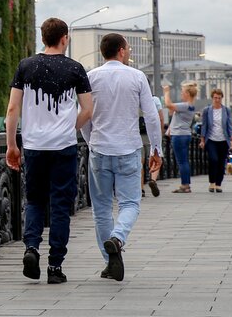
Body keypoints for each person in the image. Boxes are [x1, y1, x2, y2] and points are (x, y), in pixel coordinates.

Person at [5, 17, 93, 284]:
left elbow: (12, 110)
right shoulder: (76, 68)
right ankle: (55, 266)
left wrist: (12, 145)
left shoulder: (25, 66)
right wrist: (70, 127)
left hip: (33, 146)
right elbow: (88, 110)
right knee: (60, 206)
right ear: (64, 38)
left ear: (43, 38)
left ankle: (31, 248)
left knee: (34, 200)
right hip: (63, 146)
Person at [81, 33, 163, 282]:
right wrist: (156, 149)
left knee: (101, 208)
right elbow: (150, 115)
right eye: (127, 48)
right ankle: (117, 238)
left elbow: (84, 116)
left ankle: (110, 262)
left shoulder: (91, 77)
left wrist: (90, 141)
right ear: (121, 51)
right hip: (128, 149)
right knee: (130, 203)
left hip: (99, 150)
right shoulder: (137, 77)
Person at [163, 81, 199, 193]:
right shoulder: (191, 106)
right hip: (185, 134)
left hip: (179, 136)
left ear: (188, 93)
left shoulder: (185, 105)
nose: (181, 94)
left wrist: (166, 92)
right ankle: (186, 183)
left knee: (181, 161)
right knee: (184, 161)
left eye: (182, 92)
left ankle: (185, 185)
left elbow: (168, 104)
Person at [199, 89, 232, 192]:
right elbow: (204, 126)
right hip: (211, 139)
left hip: (223, 140)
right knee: (213, 160)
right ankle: (212, 182)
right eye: (215, 98)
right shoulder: (207, 110)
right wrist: (202, 140)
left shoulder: (226, 110)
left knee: (221, 162)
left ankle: (218, 184)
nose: (217, 100)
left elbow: (229, 125)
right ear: (212, 98)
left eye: (219, 98)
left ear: (222, 98)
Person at [146, 94, 167, 197]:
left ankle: (140, 188)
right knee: (156, 153)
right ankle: (153, 179)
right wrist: (161, 133)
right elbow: (160, 118)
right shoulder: (155, 99)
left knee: (139, 159)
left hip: (136, 131)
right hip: (152, 132)